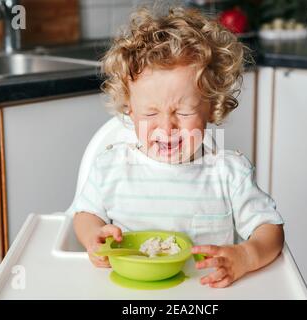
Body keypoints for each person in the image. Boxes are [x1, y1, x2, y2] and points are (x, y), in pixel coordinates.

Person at [70, 5, 284, 288]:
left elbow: (270, 230)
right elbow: (86, 214)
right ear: (129, 111)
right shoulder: (110, 167)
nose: (167, 128)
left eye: (183, 113)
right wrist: (93, 236)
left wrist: (245, 256)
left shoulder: (229, 173)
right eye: (149, 113)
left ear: (212, 107)